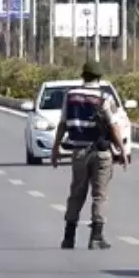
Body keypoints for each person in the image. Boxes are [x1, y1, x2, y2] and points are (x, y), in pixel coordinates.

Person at [51, 60, 128, 249]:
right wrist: (122, 150)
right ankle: (96, 236)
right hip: (101, 152)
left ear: (83, 75)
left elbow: (62, 124)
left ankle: (69, 237)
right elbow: (114, 126)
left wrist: (56, 148)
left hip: (78, 151)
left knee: (76, 193)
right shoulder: (104, 98)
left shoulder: (70, 96)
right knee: (99, 195)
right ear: (99, 77)